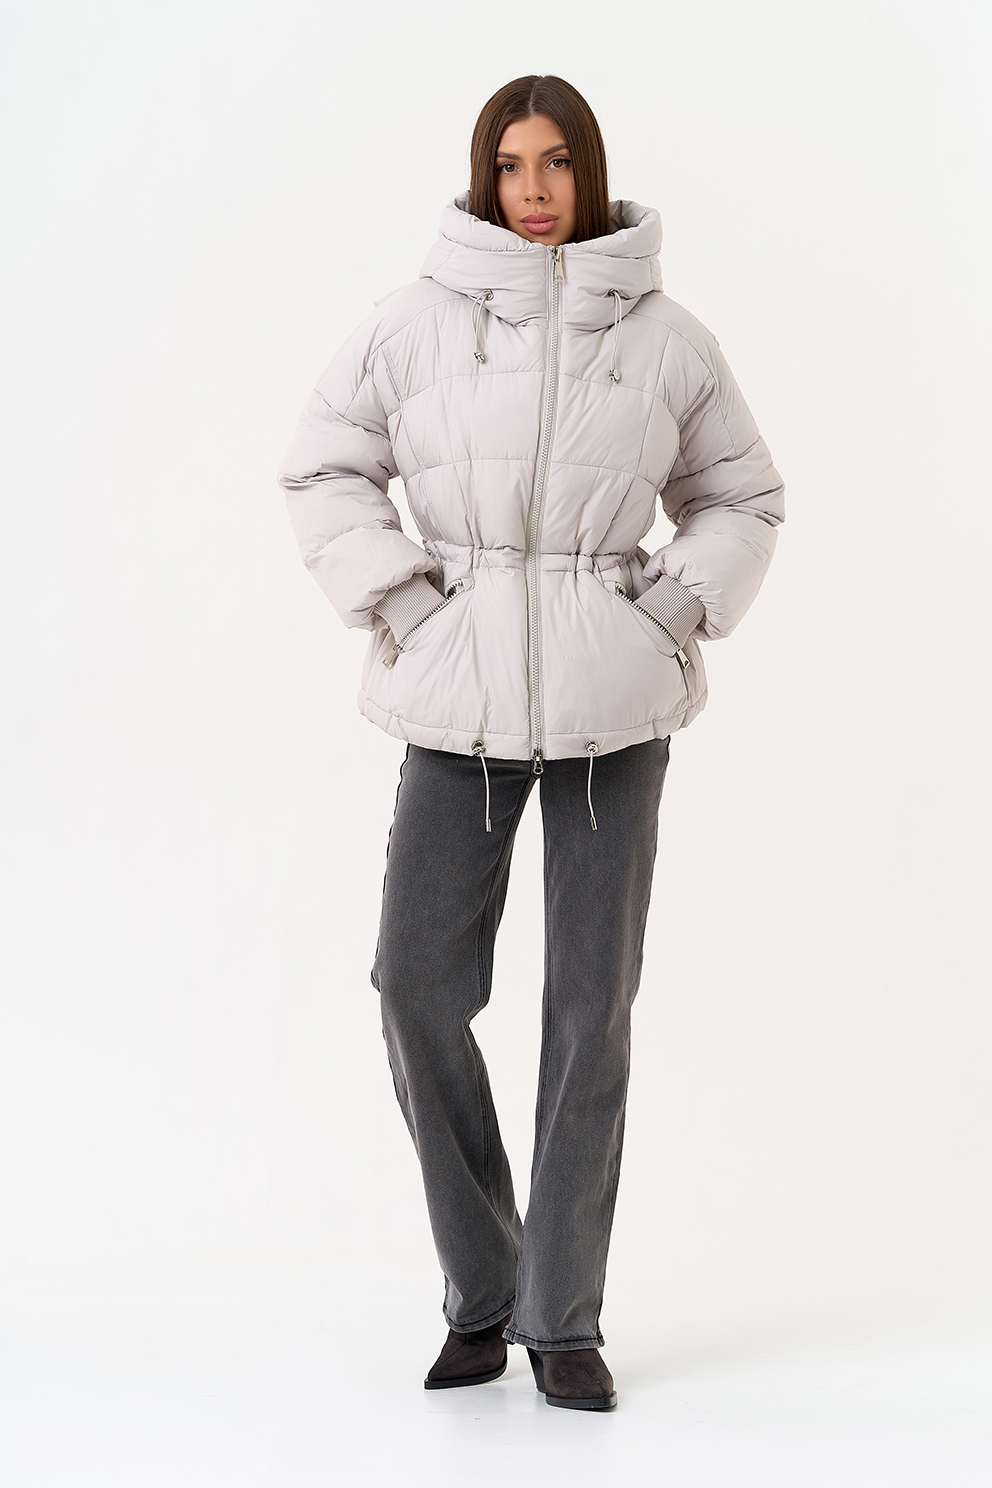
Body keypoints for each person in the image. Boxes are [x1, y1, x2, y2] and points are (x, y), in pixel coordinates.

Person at [277, 74, 785, 1412]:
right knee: (414, 985)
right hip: (456, 707)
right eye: (512, 165)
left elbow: (742, 494)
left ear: (589, 171)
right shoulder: (414, 322)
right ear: (485, 176)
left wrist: (665, 613)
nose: (536, 190)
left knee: (587, 1010)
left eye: (557, 162)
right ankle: (484, 1288)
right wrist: (402, 602)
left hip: (615, 717)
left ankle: (563, 1318)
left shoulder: (667, 337)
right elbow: (324, 464)